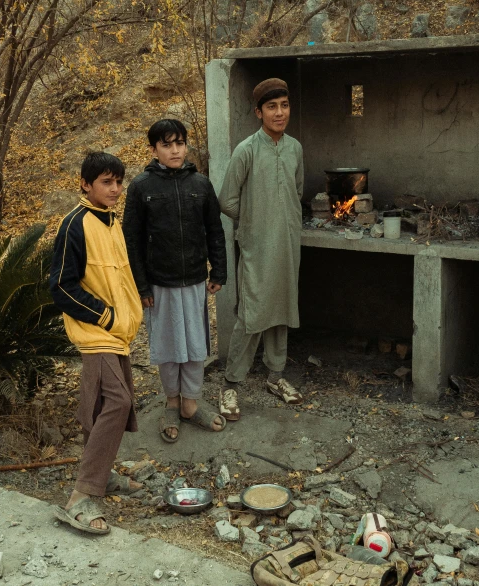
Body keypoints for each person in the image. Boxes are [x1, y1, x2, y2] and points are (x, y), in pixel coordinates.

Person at [50, 152, 143, 535]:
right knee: (118, 402)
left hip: (117, 333)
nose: (116, 189)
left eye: (119, 182)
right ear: (86, 184)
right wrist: (104, 316)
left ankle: (101, 475)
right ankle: (80, 497)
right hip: (96, 332)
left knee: (107, 403)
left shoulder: (111, 222)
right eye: (107, 182)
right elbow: (60, 286)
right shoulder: (75, 224)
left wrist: (126, 317)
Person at [123, 119, 227, 442]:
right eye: (167, 144)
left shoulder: (201, 184)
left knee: (196, 346)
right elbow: (132, 240)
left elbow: (215, 231)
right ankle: (171, 402)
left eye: (179, 143)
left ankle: (191, 404)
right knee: (168, 347)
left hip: (195, 280)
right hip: (160, 285)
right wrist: (141, 286)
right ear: (154, 149)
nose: (175, 150)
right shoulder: (142, 188)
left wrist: (218, 271)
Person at [218, 78, 304, 422]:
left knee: (281, 306)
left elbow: (297, 190)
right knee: (253, 312)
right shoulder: (246, 150)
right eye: (272, 107)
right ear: (259, 112)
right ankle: (230, 383)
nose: (279, 112)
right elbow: (227, 200)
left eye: (284, 105)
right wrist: (253, 221)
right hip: (256, 244)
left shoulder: (295, 148)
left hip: (287, 241)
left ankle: (275, 376)